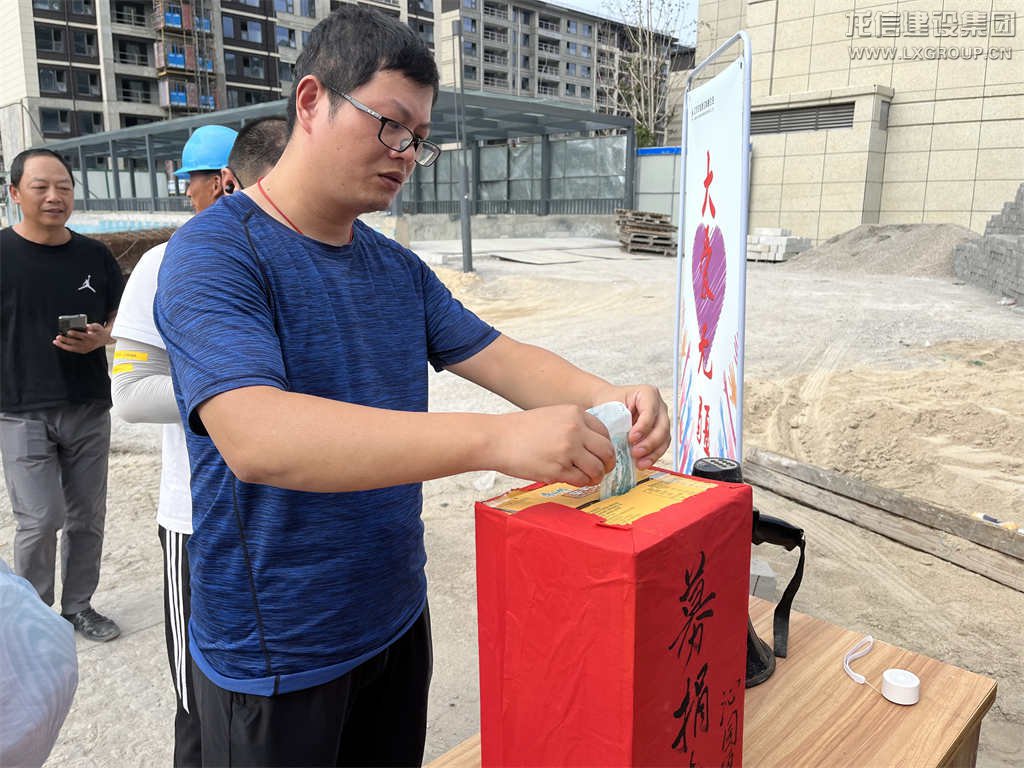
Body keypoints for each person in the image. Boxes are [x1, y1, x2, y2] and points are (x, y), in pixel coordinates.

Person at [154, 6, 670, 765]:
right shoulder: (216, 253)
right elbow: (257, 437)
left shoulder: (394, 268)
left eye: (420, 140)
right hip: (279, 651)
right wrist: (495, 440)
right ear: (310, 101)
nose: (404, 152)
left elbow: (500, 355)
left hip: (395, 616)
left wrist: (612, 393)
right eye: (390, 125)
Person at [110, 118, 288, 768]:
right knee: (200, 699)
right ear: (229, 182)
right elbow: (129, 396)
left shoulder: (298, 258)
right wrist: (239, 398)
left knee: (270, 692)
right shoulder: (163, 264)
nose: (189, 194)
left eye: (192, 182)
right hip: (201, 516)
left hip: (290, 509)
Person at [0, 148, 124, 643]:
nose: (55, 197)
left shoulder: (95, 257)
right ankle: (30, 616)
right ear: (14, 194)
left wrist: (103, 338)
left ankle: (78, 606)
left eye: (65, 187)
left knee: (87, 516)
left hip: (88, 403)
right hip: (19, 408)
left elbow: (121, 317)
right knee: (39, 518)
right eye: (41, 187)